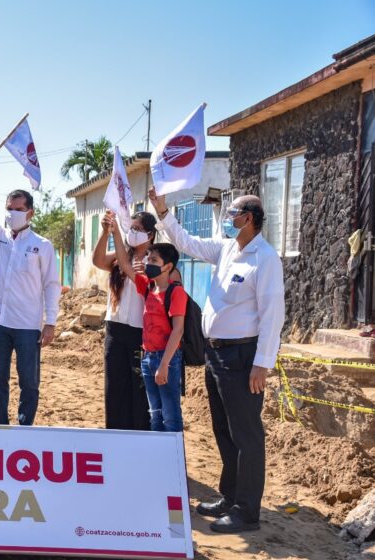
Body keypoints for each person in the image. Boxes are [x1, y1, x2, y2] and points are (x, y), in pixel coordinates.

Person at [150, 186, 285, 533]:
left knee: (247, 434)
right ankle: (229, 495)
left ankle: (247, 511)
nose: (228, 219)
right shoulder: (227, 248)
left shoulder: (265, 259)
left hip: (243, 356)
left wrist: (262, 364)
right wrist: (162, 211)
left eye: (233, 214)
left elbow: (273, 315)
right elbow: (186, 242)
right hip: (216, 353)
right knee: (224, 430)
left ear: (249, 219)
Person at [0, 154, 61, 426]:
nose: (12, 213)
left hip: (27, 325)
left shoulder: (42, 245)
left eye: (18, 209)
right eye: (9, 208)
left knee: (29, 382)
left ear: (30, 213)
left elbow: (51, 285)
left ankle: (25, 426)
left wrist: (51, 323)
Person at [109, 211, 186, 432]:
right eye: (148, 259)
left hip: (166, 359)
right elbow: (124, 264)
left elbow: (178, 330)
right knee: (155, 413)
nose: (147, 263)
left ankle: (173, 462)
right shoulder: (148, 287)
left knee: (170, 414)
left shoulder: (175, 291)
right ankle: (156, 458)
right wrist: (115, 231)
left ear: (168, 266)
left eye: (153, 260)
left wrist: (164, 364)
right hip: (148, 357)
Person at [92, 211, 159, 430]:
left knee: (138, 389)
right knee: (115, 387)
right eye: (131, 228)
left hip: (141, 333)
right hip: (115, 329)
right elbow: (98, 260)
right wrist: (105, 233)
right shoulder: (123, 257)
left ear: (150, 234)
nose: (133, 233)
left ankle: (139, 436)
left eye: (138, 229)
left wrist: (116, 233)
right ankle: (115, 435)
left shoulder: (155, 260)